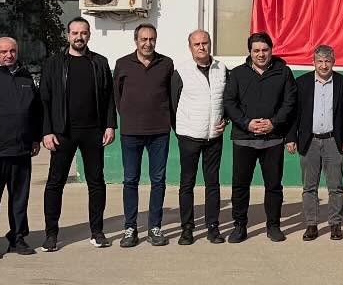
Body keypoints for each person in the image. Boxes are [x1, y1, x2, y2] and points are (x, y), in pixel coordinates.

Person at [41, 17, 115, 251]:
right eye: (75, 33)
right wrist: (47, 131)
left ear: (89, 35)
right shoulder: (54, 63)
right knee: (55, 183)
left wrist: (110, 125)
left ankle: (97, 231)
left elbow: (109, 98)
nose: (79, 37)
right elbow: (44, 99)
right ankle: (51, 234)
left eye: (83, 33)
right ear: (68, 35)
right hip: (63, 133)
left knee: (96, 183)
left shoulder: (99, 63)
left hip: (93, 131)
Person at [223, 32, 296, 243]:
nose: (261, 54)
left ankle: (273, 225)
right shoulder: (237, 74)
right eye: (256, 50)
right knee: (240, 185)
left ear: (271, 50)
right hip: (244, 138)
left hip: (273, 139)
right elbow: (229, 102)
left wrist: (273, 123)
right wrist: (247, 123)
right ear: (250, 52)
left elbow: (289, 102)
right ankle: (239, 225)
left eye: (265, 50)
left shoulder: (283, 73)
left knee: (273, 185)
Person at [0, 36, 42, 257]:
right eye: (3, 51)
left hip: (22, 150)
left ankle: (18, 238)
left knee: (19, 198)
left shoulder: (26, 78)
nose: (8, 55)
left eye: (12, 51)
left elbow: (35, 111)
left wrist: (35, 138)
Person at [113, 24, 174, 248]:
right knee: (130, 180)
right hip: (131, 133)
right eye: (143, 39)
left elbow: (170, 94)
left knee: (158, 181)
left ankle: (154, 228)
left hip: (159, 132)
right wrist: (129, 116)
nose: (148, 43)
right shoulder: (122, 64)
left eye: (152, 39)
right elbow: (117, 96)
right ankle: (130, 228)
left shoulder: (166, 63)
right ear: (135, 40)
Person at [167, 30, 225, 246]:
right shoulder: (180, 72)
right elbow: (172, 106)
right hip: (189, 136)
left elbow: (226, 99)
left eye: (205, 43)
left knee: (213, 184)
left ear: (210, 44)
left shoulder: (222, 69)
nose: (201, 47)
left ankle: (213, 227)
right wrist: (181, 129)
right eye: (196, 44)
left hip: (214, 137)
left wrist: (225, 120)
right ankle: (187, 229)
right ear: (190, 47)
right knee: (187, 184)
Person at [290, 45, 343, 241]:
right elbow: (294, 114)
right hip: (309, 141)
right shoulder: (302, 83)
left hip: (333, 140)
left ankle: (335, 225)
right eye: (320, 61)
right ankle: (312, 225)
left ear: (333, 61)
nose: (324, 65)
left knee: (336, 187)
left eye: (327, 61)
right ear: (313, 62)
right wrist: (291, 138)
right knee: (309, 187)